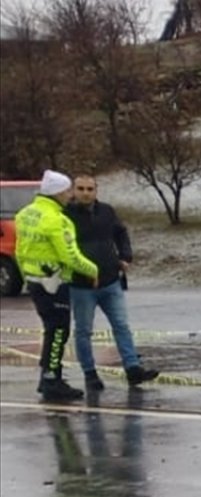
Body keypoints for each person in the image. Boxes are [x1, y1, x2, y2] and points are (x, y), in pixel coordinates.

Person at [65, 175, 159, 390]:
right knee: (83, 331)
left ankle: (133, 368)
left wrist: (125, 256)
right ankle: (89, 372)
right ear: (73, 191)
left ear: (96, 190)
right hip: (81, 284)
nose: (86, 193)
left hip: (110, 280)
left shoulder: (106, 211)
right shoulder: (66, 215)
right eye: (81, 188)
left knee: (121, 326)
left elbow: (121, 232)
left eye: (90, 189)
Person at [14, 170, 99, 402]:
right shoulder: (57, 220)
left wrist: (25, 275)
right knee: (59, 330)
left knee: (51, 330)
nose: (71, 195)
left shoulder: (25, 213)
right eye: (68, 190)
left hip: (34, 280)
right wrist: (93, 270)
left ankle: (49, 376)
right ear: (59, 192)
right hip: (53, 281)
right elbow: (70, 256)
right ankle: (52, 379)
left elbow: (19, 249)